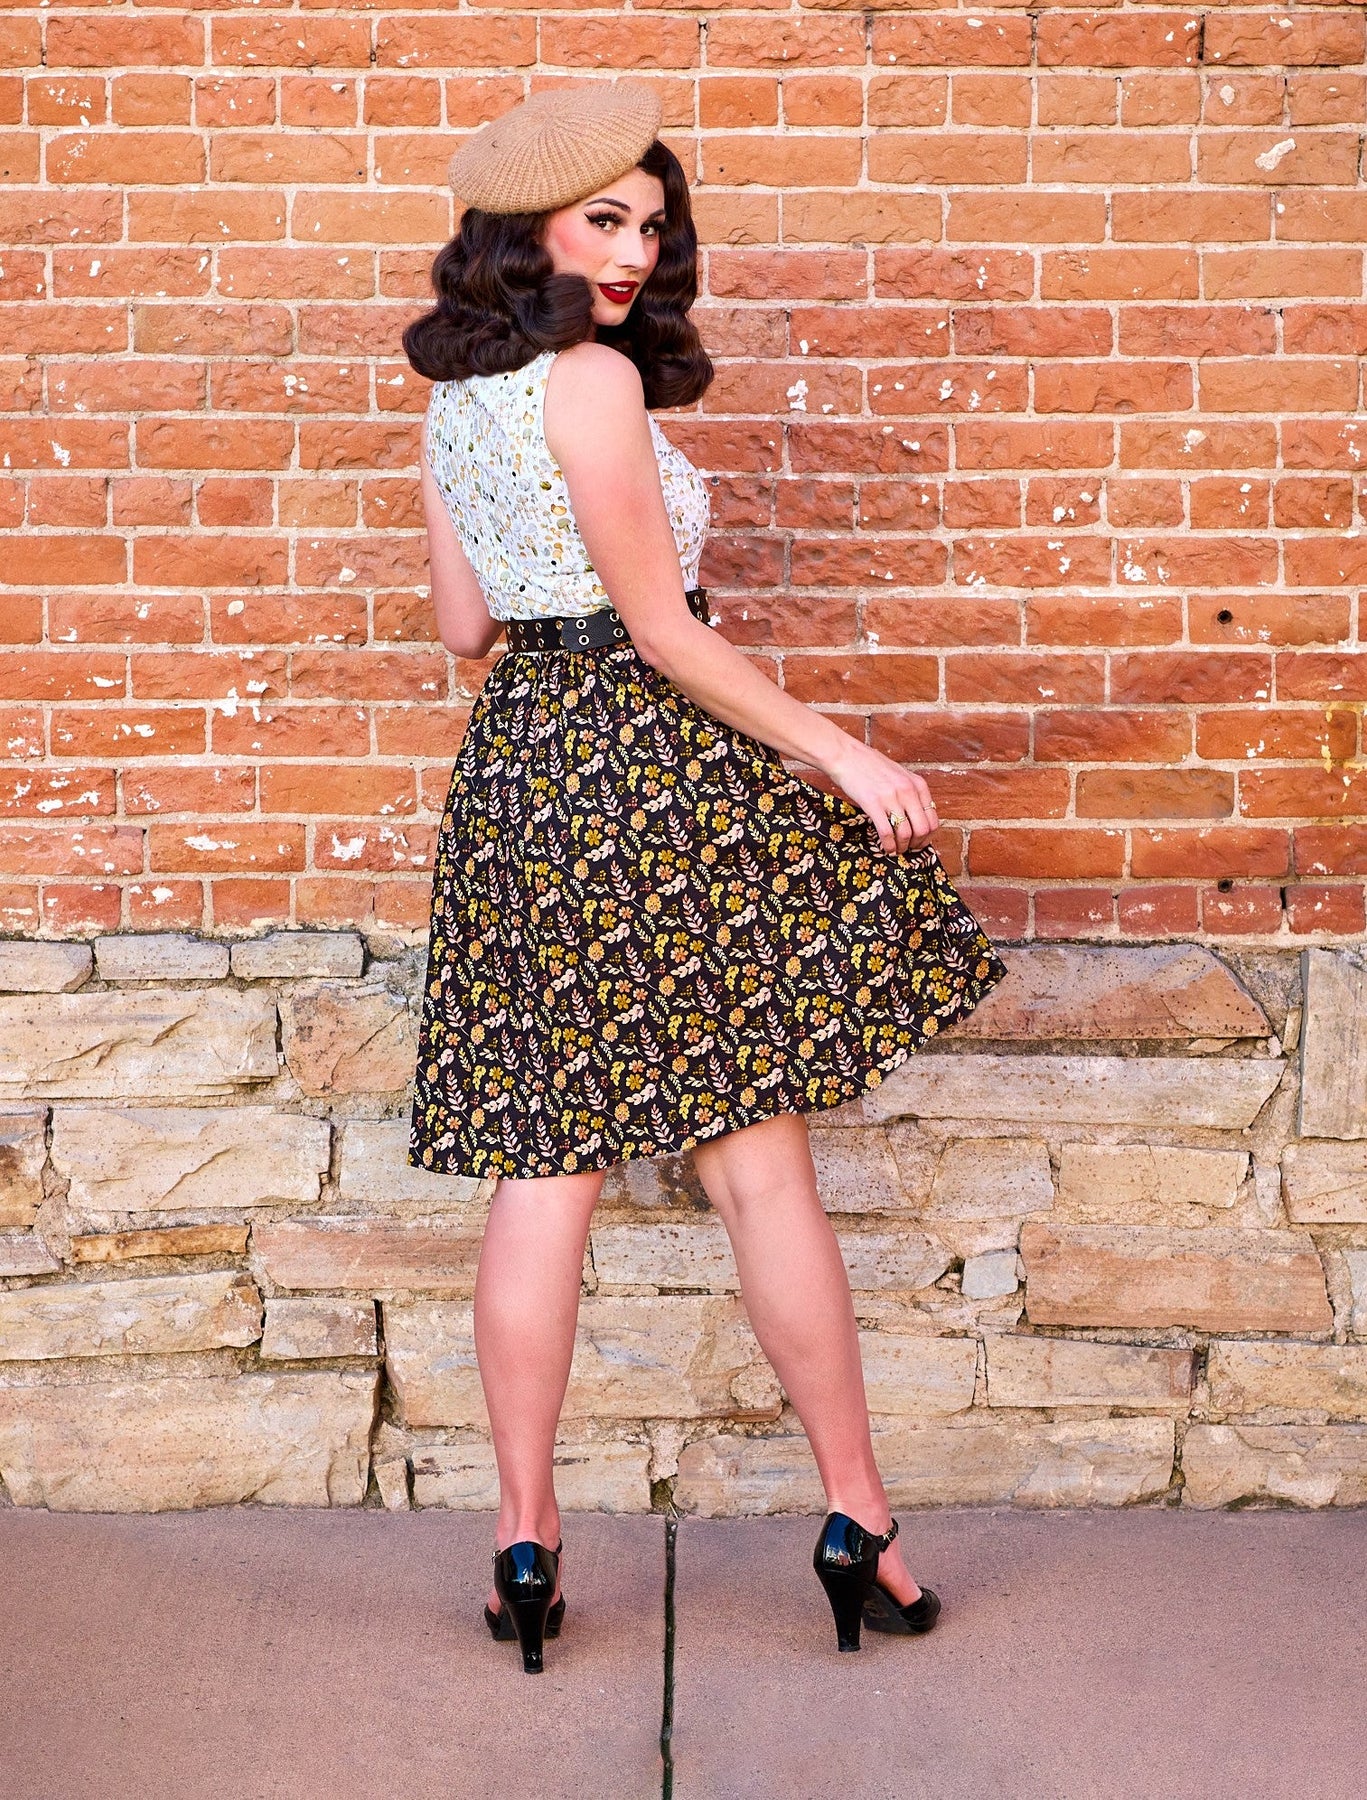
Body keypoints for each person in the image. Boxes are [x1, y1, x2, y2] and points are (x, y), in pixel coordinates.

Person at [401, 81, 1010, 1673]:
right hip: (650, 765)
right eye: (604, 220)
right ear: (525, 230)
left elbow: (465, 632)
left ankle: (523, 1544)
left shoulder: (453, 406)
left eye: (651, 226)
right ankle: (857, 1520)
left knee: (545, 1168)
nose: (634, 252)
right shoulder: (592, 381)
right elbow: (665, 633)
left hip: (524, 776)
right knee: (755, 1162)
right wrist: (844, 755)